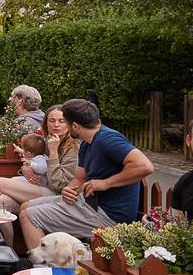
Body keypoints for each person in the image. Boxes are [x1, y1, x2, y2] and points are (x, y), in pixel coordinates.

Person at [19, 98, 154, 249]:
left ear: (75, 126)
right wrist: (69, 190)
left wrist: (106, 183)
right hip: (87, 203)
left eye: (66, 123)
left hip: (108, 215)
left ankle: (44, 269)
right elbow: (79, 178)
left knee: (29, 216)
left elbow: (145, 166)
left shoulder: (108, 140)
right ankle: (58, 258)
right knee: (25, 206)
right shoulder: (86, 143)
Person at [0, 104, 82, 242]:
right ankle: (6, 252)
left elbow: (59, 185)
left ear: (70, 124)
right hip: (41, 188)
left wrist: (53, 152)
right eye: (52, 121)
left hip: (57, 195)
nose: (56, 125)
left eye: (61, 121)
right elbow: (36, 161)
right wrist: (25, 168)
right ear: (46, 123)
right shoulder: (49, 141)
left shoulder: (73, 148)